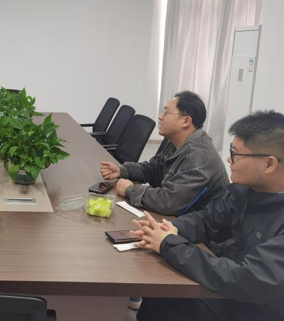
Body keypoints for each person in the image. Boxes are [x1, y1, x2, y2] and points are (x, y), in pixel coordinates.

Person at [132, 110, 284, 321]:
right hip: (229, 285)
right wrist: (174, 229)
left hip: (255, 307)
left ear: (269, 164)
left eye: (236, 154)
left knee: (167, 300)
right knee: (160, 291)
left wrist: (169, 245)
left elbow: (247, 279)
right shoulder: (246, 190)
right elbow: (207, 219)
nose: (229, 159)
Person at [100, 91, 229, 216]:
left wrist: (130, 190)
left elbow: (169, 202)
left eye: (166, 112)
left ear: (186, 121)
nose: (160, 116)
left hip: (200, 227)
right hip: (180, 220)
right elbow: (154, 168)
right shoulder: (177, 141)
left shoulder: (198, 157)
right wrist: (122, 171)